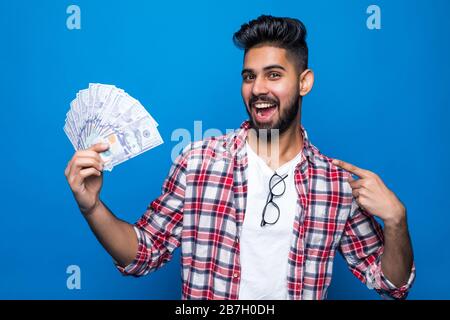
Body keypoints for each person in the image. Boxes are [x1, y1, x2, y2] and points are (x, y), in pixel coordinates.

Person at [64, 15, 415, 300]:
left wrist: (397, 221)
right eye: (249, 77)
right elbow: (143, 253)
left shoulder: (335, 184)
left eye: (274, 75)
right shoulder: (198, 162)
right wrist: (91, 207)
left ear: (304, 82)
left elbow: (390, 284)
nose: (258, 88)